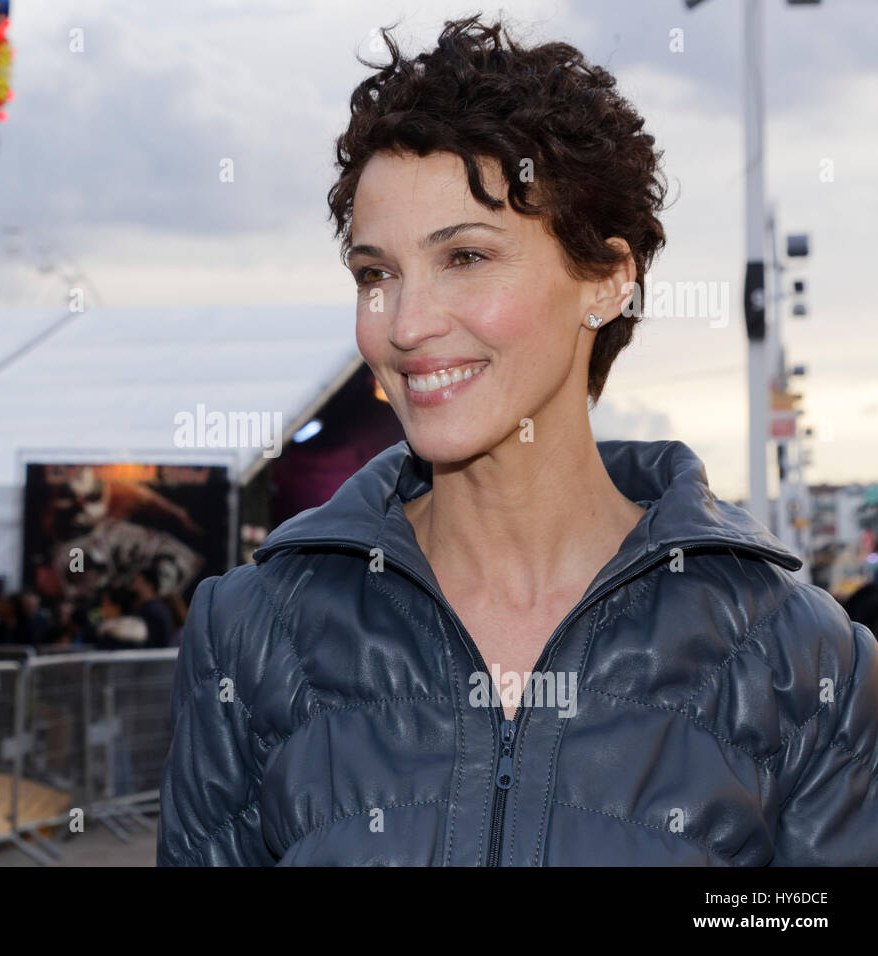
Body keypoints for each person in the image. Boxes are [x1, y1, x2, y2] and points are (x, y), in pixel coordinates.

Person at [159, 16, 878, 866]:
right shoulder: (251, 632)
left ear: (607, 281)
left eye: (464, 256)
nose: (407, 324)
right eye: (375, 274)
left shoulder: (798, 655)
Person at [131, 567, 174, 648]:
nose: (134, 586)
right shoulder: (155, 608)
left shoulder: (153, 611)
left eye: (137, 582)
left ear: (149, 585)